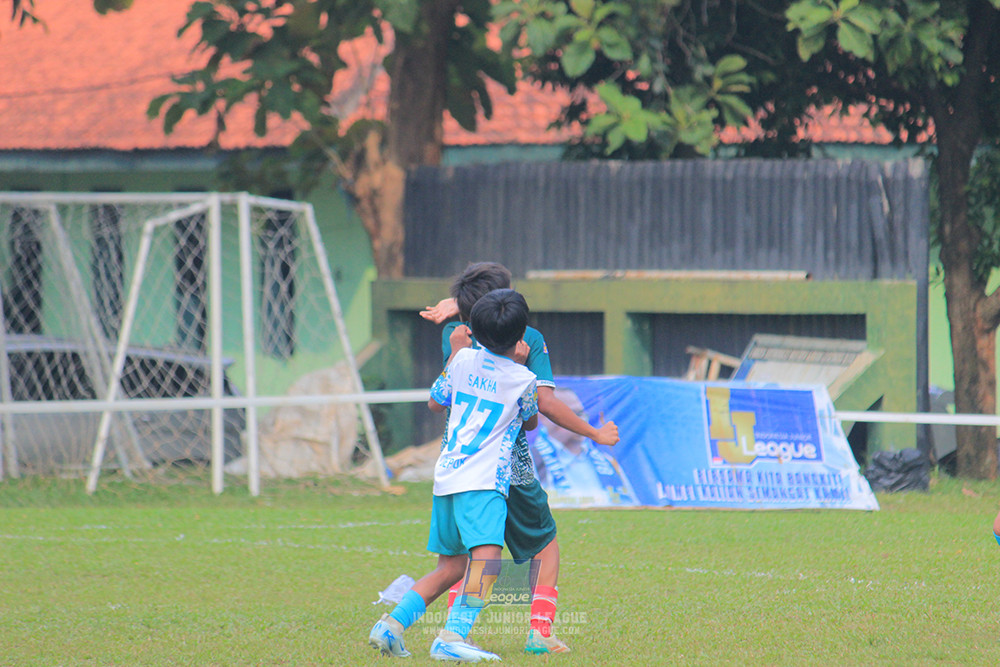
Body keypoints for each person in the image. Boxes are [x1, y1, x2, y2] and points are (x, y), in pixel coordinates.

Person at [421, 261, 620, 654]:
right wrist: (594, 432)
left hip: (459, 464)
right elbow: (542, 406)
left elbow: (439, 396)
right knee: (545, 546)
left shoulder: (455, 335)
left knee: (466, 554)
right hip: (508, 465)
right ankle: (539, 633)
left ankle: (455, 631)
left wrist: (456, 306)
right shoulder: (526, 338)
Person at [369, 288, 539, 662]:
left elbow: (437, 398)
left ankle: (391, 626)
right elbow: (530, 422)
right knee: (489, 560)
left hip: (447, 477)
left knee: (451, 567)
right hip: (483, 482)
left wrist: (462, 352)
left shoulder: (461, 361)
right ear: (521, 335)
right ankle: (453, 636)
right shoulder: (524, 379)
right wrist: (520, 364)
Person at [531, 387, 638, 508]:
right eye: (571, 414)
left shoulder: (607, 461)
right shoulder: (530, 459)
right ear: (543, 417)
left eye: (581, 414)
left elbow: (630, 504)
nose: (579, 420)